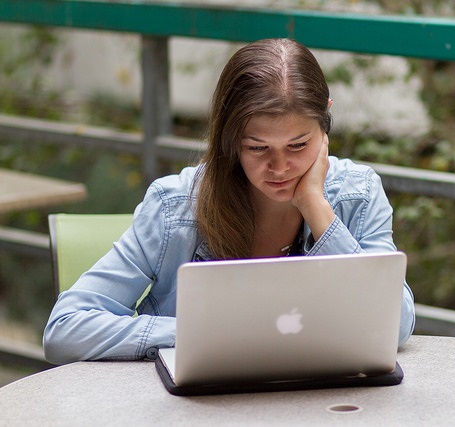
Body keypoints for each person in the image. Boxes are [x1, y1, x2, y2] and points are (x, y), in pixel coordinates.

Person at [43, 38, 415, 364]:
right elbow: (66, 328)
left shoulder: (358, 194)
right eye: (257, 148)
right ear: (229, 139)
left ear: (326, 124)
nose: (281, 167)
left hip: (316, 403)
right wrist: (207, 336)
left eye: (299, 145)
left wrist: (317, 209)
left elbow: (394, 325)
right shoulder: (176, 206)